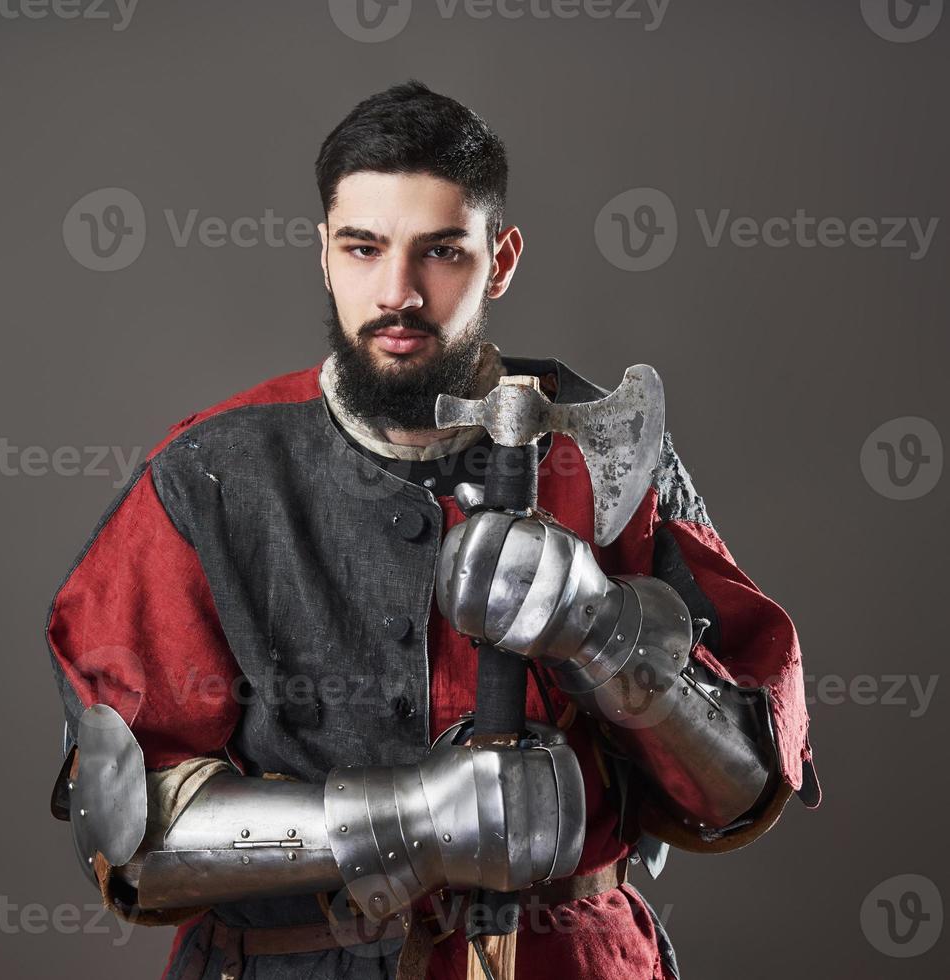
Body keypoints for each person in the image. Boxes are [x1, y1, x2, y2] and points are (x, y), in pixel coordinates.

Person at [44, 80, 820, 980]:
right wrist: (410, 816)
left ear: (501, 260)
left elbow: (743, 782)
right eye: (363, 248)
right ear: (323, 256)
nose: (398, 292)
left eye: (441, 251)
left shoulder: (600, 454)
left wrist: (601, 628)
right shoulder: (212, 475)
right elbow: (132, 833)